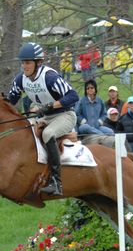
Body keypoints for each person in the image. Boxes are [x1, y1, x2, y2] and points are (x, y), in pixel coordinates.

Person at [7, 42, 79, 196]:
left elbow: (74, 96)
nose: (24, 66)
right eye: (22, 63)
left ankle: (56, 182)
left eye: (27, 62)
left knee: (48, 134)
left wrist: (52, 106)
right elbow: (10, 100)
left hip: (64, 115)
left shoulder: (50, 77)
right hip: (45, 116)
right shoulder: (21, 79)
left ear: (38, 63)